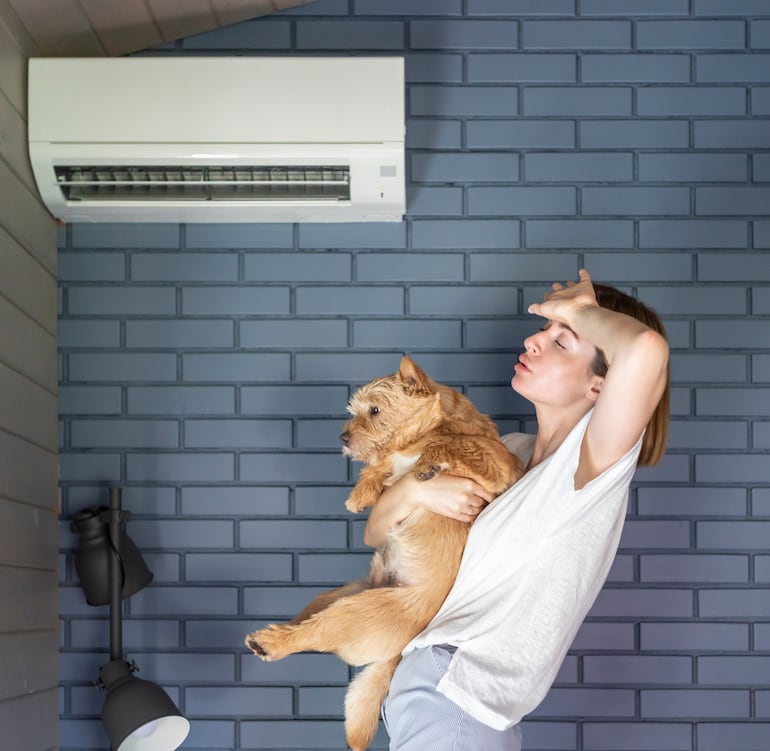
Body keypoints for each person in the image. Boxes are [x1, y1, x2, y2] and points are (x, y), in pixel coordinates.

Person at [364, 269, 670, 750]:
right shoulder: (506, 451)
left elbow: (646, 350)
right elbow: (378, 536)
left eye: (562, 342)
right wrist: (413, 493)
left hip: (456, 699)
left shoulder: (588, 468)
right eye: (544, 332)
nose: (533, 340)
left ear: (598, 388)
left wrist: (580, 311)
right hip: (429, 693)